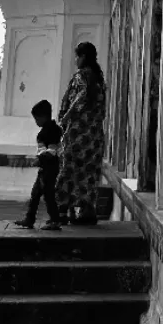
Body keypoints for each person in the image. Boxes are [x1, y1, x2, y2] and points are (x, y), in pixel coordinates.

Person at [56, 42, 106, 226]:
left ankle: (61, 210)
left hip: (78, 135)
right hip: (94, 136)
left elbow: (81, 96)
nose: (75, 60)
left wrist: (67, 117)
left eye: (77, 56)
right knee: (89, 174)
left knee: (68, 170)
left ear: (83, 56)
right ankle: (87, 211)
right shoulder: (99, 79)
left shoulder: (81, 76)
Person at [18, 99, 63, 230]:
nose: (36, 122)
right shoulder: (57, 129)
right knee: (36, 193)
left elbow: (51, 151)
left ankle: (55, 220)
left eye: (36, 119)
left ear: (42, 117)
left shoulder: (44, 133)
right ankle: (30, 219)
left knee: (47, 194)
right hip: (50, 167)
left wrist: (39, 159)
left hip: (48, 168)